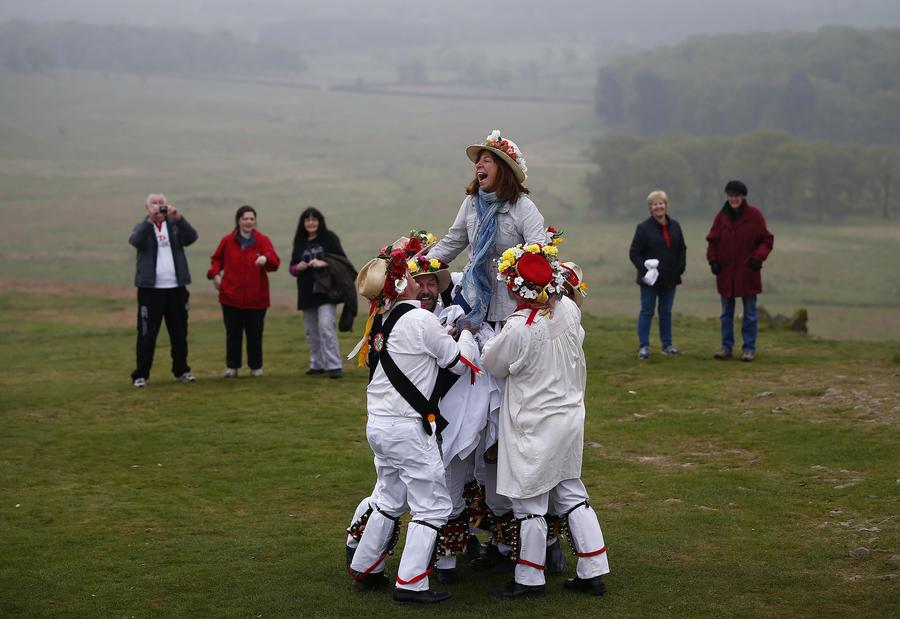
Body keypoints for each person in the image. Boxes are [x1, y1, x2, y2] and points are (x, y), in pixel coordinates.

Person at [347, 238, 480, 604]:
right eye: (407, 273)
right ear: (400, 283)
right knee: (432, 506)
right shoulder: (420, 318)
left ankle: (366, 568)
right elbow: (456, 362)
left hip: (378, 424)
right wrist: (467, 334)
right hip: (408, 428)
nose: (413, 276)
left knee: (389, 498)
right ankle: (411, 583)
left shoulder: (382, 319)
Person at [482, 243, 610, 599]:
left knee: (529, 501)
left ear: (514, 287)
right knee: (571, 490)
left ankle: (529, 576)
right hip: (569, 415)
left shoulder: (519, 328)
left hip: (534, 423)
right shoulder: (569, 308)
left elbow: (492, 363)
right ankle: (593, 567)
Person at [428, 129, 546, 329]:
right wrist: (420, 266)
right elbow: (453, 242)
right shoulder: (471, 203)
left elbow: (538, 251)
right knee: (454, 337)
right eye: (478, 161)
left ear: (503, 169)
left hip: (510, 301)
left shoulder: (524, 207)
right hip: (472, 292)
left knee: (503, 354)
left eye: (487, 161)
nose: (478, 165)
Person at [129, 193, 198, 388]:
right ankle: (140, 374)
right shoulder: (142, 226)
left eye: (161, 203)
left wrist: (179, 219)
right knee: (146, 334)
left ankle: (182, 370)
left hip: (176, 288)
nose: (158, 206)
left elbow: (192, 237)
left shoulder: (174, 226)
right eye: (154, 203)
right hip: (150, 290)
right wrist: (150, 222)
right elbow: (136, 241)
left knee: (179, 332)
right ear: (147, 208)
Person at [207, 205, 280, 378]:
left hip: (257, 298)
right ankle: (232, 367)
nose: (248, 222)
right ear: (238, 221)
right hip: (230, 297)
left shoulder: (262, 240)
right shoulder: (227, 240)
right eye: (245, 219)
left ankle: (256, 367)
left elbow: (275, 263)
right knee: (233, 333)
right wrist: (215, 274)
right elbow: (216, 259)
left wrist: (266, 258)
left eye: (251, 219)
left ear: (255, 221)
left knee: (255, 334)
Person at [706, 180, 774, 362]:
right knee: (726, 314)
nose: (733, 199)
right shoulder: (721, 217)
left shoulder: (755, 215)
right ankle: (726, 348)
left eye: (736, 196)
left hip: (748, 272)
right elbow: (712, 241)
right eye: (730, 196)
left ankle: (749, 349)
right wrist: (713, 261)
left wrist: (757, 259)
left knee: (750, 314)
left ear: (743, 196)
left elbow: (766, 240)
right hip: (726, 273)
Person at [289, 207, 354, 379]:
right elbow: (292, 268)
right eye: (307, 219)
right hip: (306, 291)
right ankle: (317, 364)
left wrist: (324, 262)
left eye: (314, 219)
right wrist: (299, 267)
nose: (311, 222)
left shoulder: (330, 238)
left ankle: (334, 365)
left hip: (326, 291)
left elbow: (342, 261)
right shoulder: (300, 241)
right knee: (312, 331)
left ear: (320, 221)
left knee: (326, 327)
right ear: (303, 223)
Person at [628, 190, 687, 360]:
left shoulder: (675, 226)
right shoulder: (643, 228)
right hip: (650, 281)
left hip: (670, 279)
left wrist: (680, 268)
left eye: (661, 203)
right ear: (651, 208)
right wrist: (646, 270)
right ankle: (644, 347)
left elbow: (682, 249)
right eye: (655, 204)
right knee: (647, 311)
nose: (658, 206)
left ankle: (667, 345)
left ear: (666, 205)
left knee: (666, 311)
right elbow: (634, 253)